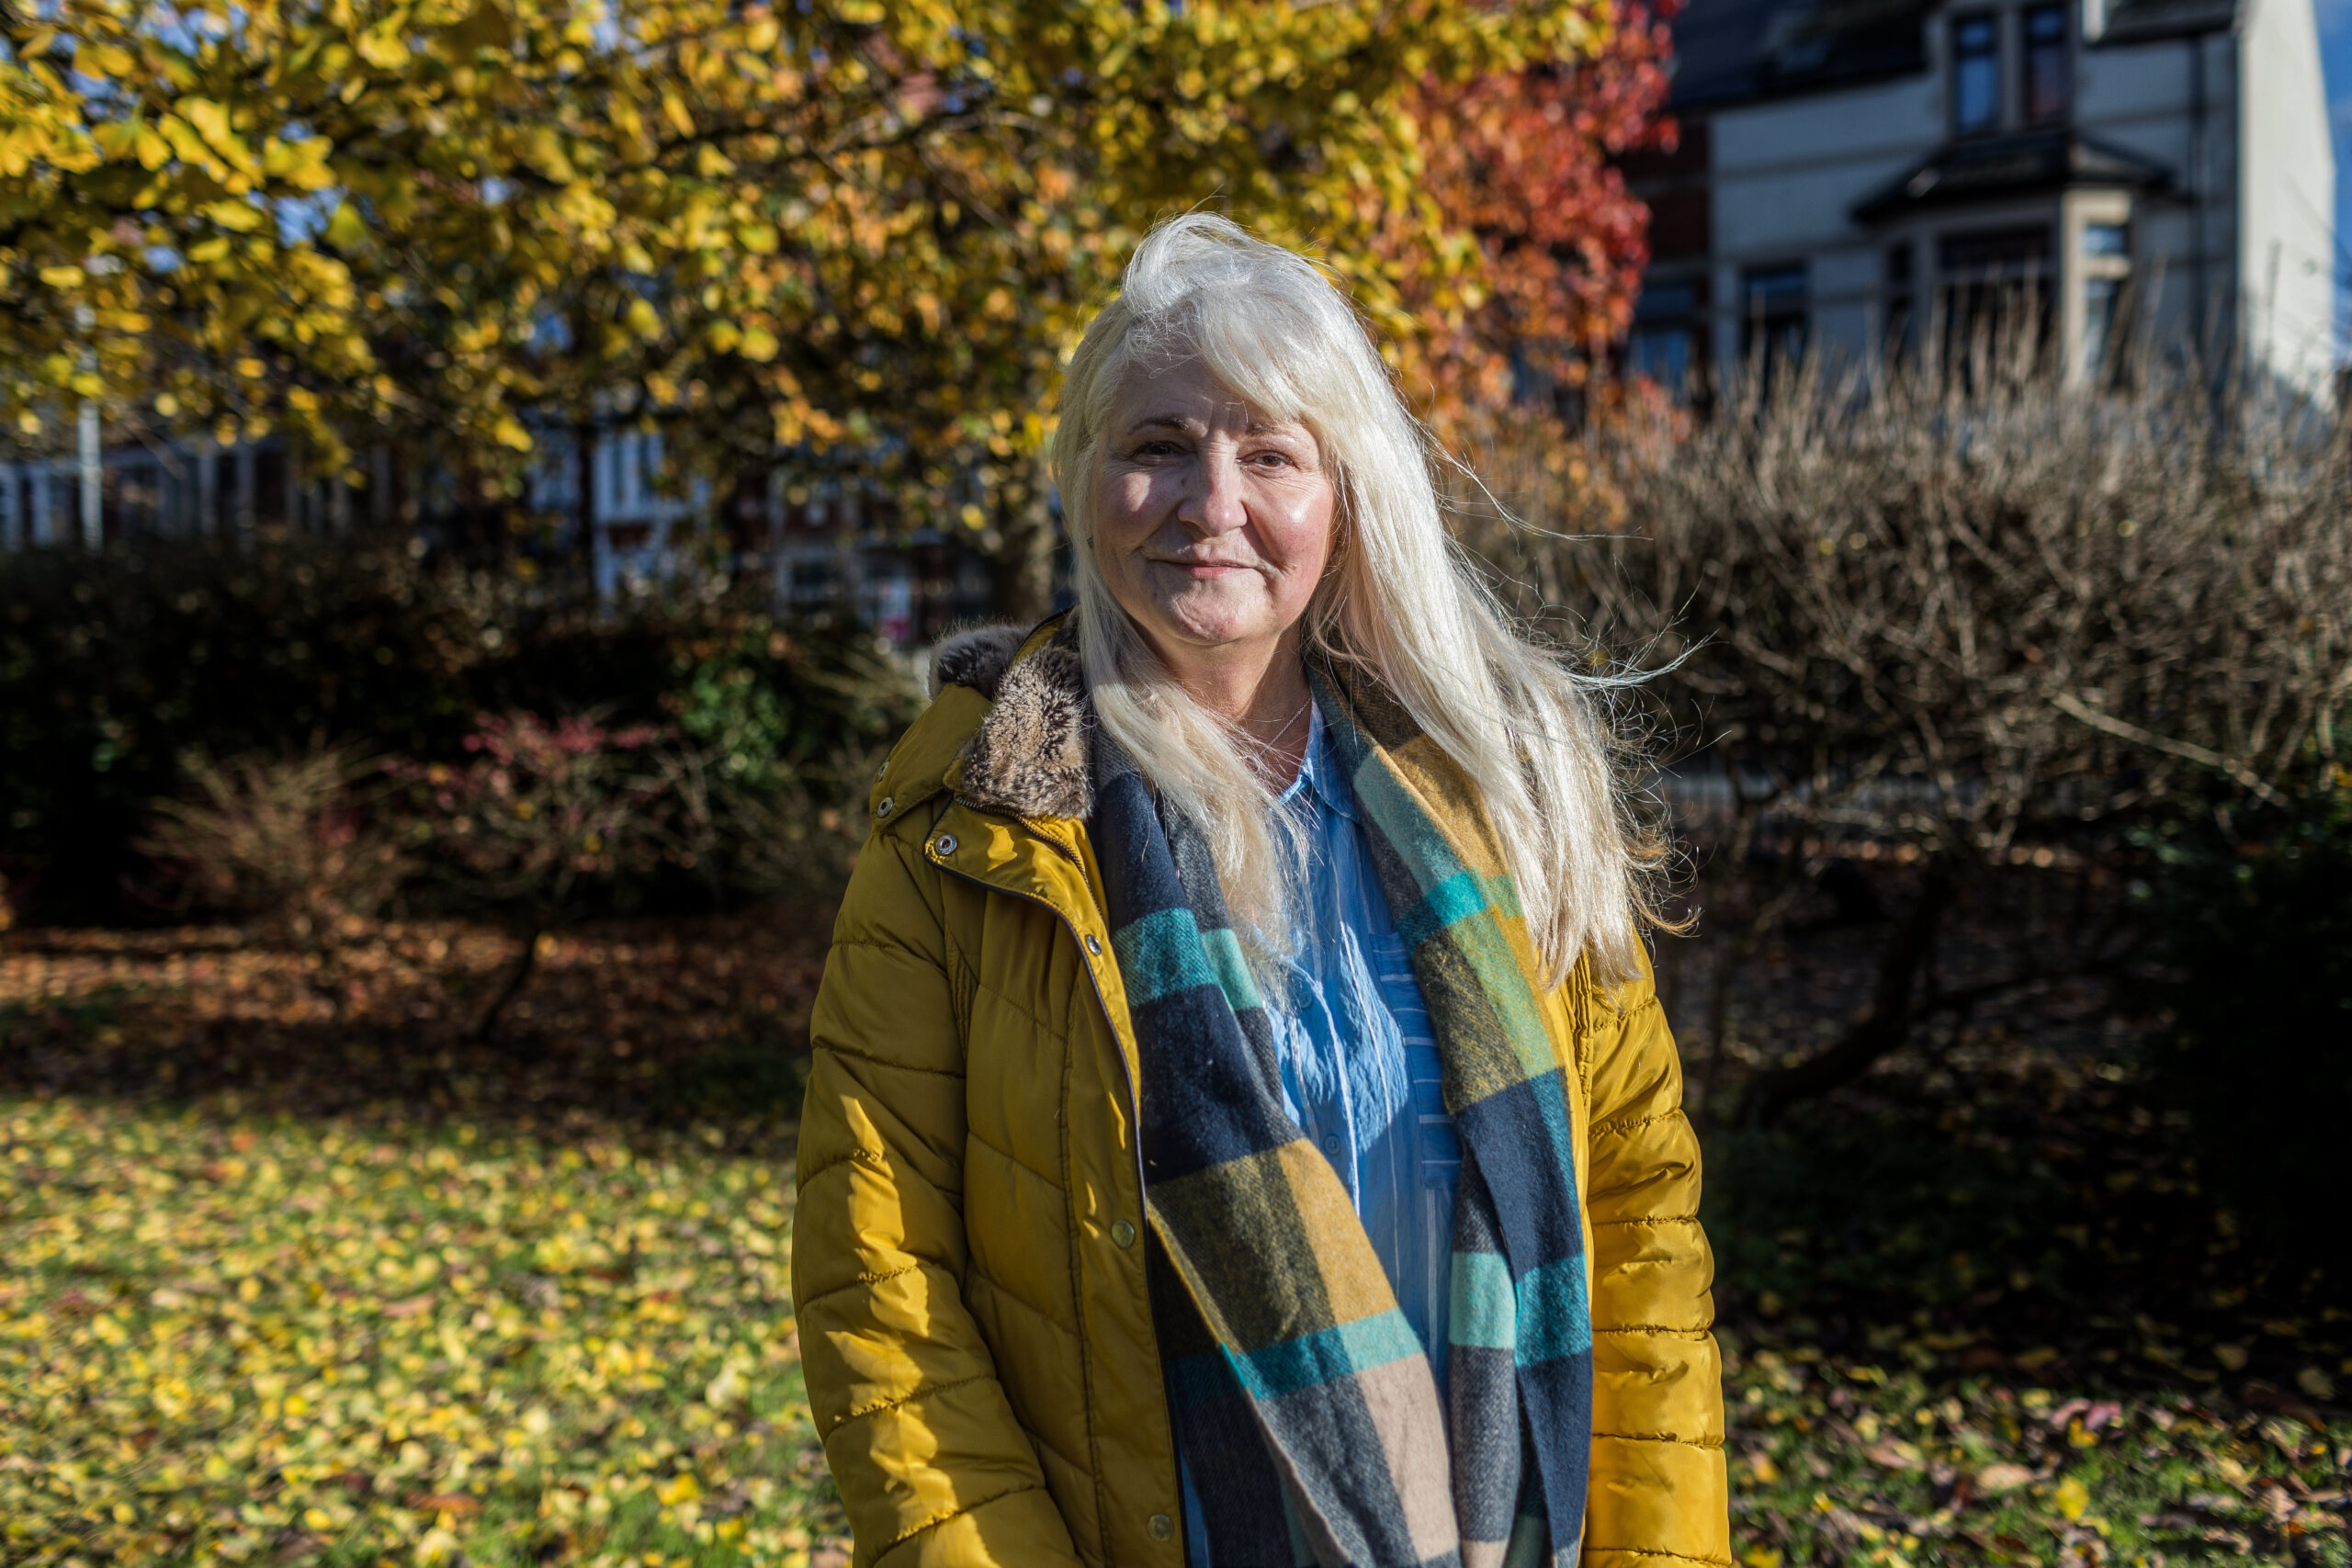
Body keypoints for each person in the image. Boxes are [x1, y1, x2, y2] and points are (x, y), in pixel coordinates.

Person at [789, 214, 1728, 1568]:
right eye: (1158, 446)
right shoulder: (970, 830)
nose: (1210, 504)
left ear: (1343, 497)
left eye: (1270, 453)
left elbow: (1639, 1220)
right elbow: (882, 1289)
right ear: (1088, 479)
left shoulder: (1508, 799)